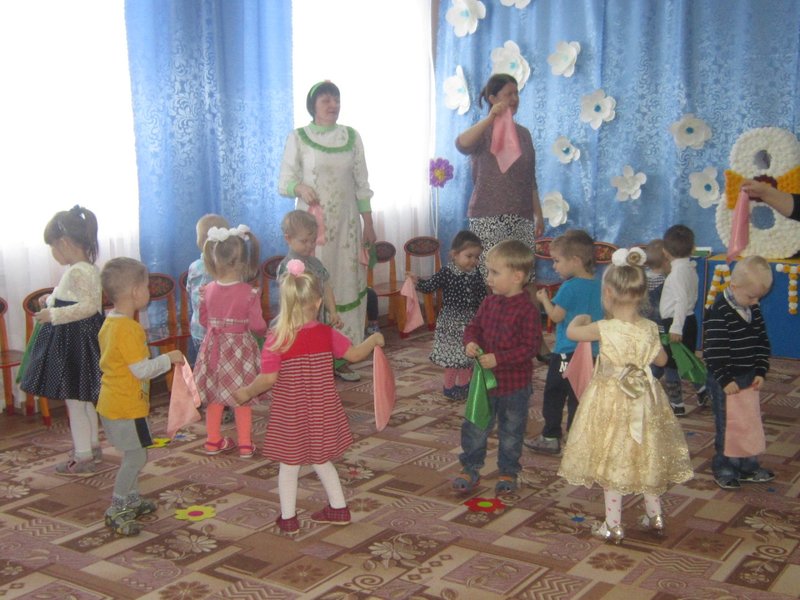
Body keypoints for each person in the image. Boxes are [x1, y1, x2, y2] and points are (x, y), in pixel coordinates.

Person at [234, 260, 385, 535]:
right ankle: (339, 508)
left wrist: (246, 392)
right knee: (321, 459)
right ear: (317, 302)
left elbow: (268, 379)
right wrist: (372, 340)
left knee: (289, 465)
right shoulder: (326, 333)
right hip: (322, 410)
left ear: (286, 302)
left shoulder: (277, 339)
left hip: (291, 413)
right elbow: (354, 355)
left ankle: (289, 518)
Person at [558, 247, 693, 544]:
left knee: (613, 456)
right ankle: (655, 516)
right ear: (642, 294)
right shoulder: (650, 327)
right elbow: (661, 361)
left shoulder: (604, 327)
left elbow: (572, 334)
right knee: (646, 454)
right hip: (644, 399)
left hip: (610, 400)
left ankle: (613, 524)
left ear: (607, 293)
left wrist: (579, 319)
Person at [278, 80, 376, 382]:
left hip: (347, 227)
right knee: (313, 286)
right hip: (312, 231)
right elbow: (284, 181)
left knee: (345, 284)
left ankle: (344, 355)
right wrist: (299, 187)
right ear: (313, 106)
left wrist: (368, 223)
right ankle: (311, 354)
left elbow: (361, 183)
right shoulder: (298, 138)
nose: (333, 105)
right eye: (326, 100)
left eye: (336, 99)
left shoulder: (351, 137)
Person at [97, 258, 184, 536]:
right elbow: (141, 370)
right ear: (135, 292)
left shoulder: (110, 323)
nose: (148, 290)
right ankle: (117, 507)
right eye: (146, 286)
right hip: (125, 406)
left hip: (115, 402)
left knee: (135, 452)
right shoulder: (129, 329)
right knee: (135, 457)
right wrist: (169, 358)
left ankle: (132, 500)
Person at [20, 205, 106, 475]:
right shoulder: (83, 269)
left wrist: (53, 314)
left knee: (75, 401)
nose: (53, 253)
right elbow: (75, 297)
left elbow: (89, 307)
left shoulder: (79, 271)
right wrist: (52, 298)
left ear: (65, 243)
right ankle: (92, 447)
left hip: (75, 344)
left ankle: (83, 457)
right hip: (79, 341)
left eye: (52, 247)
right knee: (83, 397)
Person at [454, 240, 541, 496]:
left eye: (494, 272)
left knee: (511, 430)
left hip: (514, 386)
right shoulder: (489, 303)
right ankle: (470, 467)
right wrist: (470, 342)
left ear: (517, 277)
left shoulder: (527, 310)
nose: (488, 278)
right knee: (475, 426)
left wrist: (499, 359)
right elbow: (474, 328)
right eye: (488, 271)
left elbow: (530, 348)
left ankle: (508, 471)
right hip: (483, 383)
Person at [456, 73, 544, 278]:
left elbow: (530, 179)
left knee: (524, 276)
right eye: (508, 94)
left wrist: (538, 214)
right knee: (491, 277)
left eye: (516, 93)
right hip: (487, 215)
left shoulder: (524, 134)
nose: (514, 99)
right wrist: (490, 119)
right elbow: (461, 144)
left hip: (522, 216)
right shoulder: (483, 131)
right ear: (493, 98)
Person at [526, 230, 603, 455]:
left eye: (557, 261)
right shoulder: (600, 285)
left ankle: (550, 436)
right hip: (592, 353)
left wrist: (544, 300)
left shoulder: (569, 287)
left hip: (566, 353)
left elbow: (556, 316)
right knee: (580, 395)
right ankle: (576, 439)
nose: (554, 266)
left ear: (575, 260)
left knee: (555, 393)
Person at [193, 224, 266, 459]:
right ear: (243, 263)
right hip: (239, 351)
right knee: (242, 396)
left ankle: (212, 441)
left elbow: (203, 320)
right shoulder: (249, 292)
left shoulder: (207, 290)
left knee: (214, 397)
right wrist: (264, 333)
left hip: (213, 347)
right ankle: (245, 445)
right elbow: (257, 325)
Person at [704, 256, 774, 489]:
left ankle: (747, 465)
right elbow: (713, 351)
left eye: (758, 297)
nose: (755, 302)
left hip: (748, 375)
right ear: (733, 287)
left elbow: (762, 342)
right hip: (725, 380)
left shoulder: (752, 309)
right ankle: (724, 466)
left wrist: (761, 370)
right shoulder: (719, 312)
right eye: (751, 296)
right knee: (728, 425)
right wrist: (725, 379)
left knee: (749, 421)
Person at [409, 230, 487, 400]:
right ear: (454, 254)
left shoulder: (476, 273)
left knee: (467, 356)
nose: (473, 261)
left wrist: (486, 312)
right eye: (469, 256)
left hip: (470, 322)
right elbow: (430, 286)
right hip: (451, 323)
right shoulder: (446, 272)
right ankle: (449, 387)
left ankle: (464, 385)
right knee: (453, 358)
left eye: (476, 257)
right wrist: (417, 282)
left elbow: (482, 296)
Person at [658, 224, 701, 416]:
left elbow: (681, 300)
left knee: (671, 364)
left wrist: (676, 327)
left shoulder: (676, 274)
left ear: (665, 252)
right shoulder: (690, 269)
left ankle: (677, 404)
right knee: (687, 360)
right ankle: (702, 390)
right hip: (688, 319)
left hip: (676, 323)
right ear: (693, 249)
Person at [277, 210, 343, 330]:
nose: (310, 245)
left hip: (318, 323)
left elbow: (326, 287)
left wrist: (333, 311)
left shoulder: (316, 264)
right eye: (304, 241)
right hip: (295, 327)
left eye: (313, 241)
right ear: (288, 239)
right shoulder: (285, 267)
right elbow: (287, 301)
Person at [186, 213, 230, 364]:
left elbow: (189, 290)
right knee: (221, 367)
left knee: (200, 368)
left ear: (200, 240)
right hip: (223, 331)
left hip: (198, 330)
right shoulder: (230, 269)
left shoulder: (194, 267)